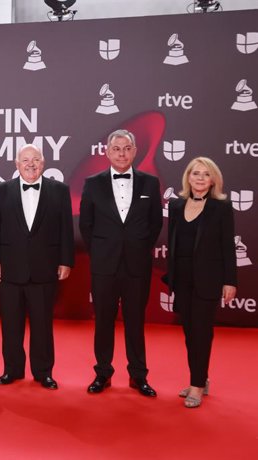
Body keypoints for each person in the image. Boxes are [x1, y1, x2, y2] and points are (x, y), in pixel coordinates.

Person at [79, 129, 162, 396]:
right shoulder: (93, 183)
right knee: (103, 321)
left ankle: (138, 375)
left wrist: (137, 249)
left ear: (135, 151)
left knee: (136, 322)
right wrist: (103, 252)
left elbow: (155, 224)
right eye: (117, 149)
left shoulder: (150, 183)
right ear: (107, 152)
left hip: (137, 266)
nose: (122, 153)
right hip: (104, 266)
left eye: (127, 148)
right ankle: (102, 373)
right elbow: (86, 225)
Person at [0, 144, 74, 388]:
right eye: (25, 160)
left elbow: (66, 228)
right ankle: (12, 370)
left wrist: (66, 260)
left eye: (36, 159)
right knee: (11, 325)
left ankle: (43, 372)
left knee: (42, 325)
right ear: (17, 164)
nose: (31, 164)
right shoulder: (2, 190)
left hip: (45, 269)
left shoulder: (59, 190)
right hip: (10, 270)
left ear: (43, 163)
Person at [165, 157, 237, 408]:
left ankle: (196, 385)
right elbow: (173, 245)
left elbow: (228, 247)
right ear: (188, 177)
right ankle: (201, 378)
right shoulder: (176, 205)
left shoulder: (221, 207)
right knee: (189, 333)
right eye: (195, 173)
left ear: (213, 180)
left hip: (208, 279)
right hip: (182, 279)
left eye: (206, 174)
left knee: (201, 333)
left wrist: (230, 281)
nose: (200, 178)